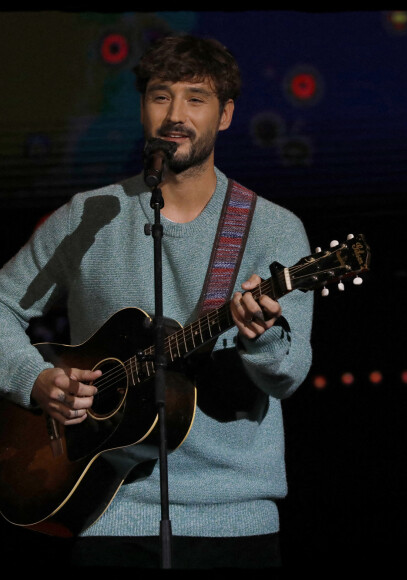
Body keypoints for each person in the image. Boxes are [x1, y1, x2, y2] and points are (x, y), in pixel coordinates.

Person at [0, 34, 313, 569]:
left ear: (227, 115)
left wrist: (260, 339)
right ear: (143, 108)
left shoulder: (272, 229)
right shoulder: (87, 214)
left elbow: (289, 375)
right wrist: (35, 379)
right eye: (161, 96)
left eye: (197, 98)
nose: (176, 115)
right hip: (104, 513)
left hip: (233, 520)